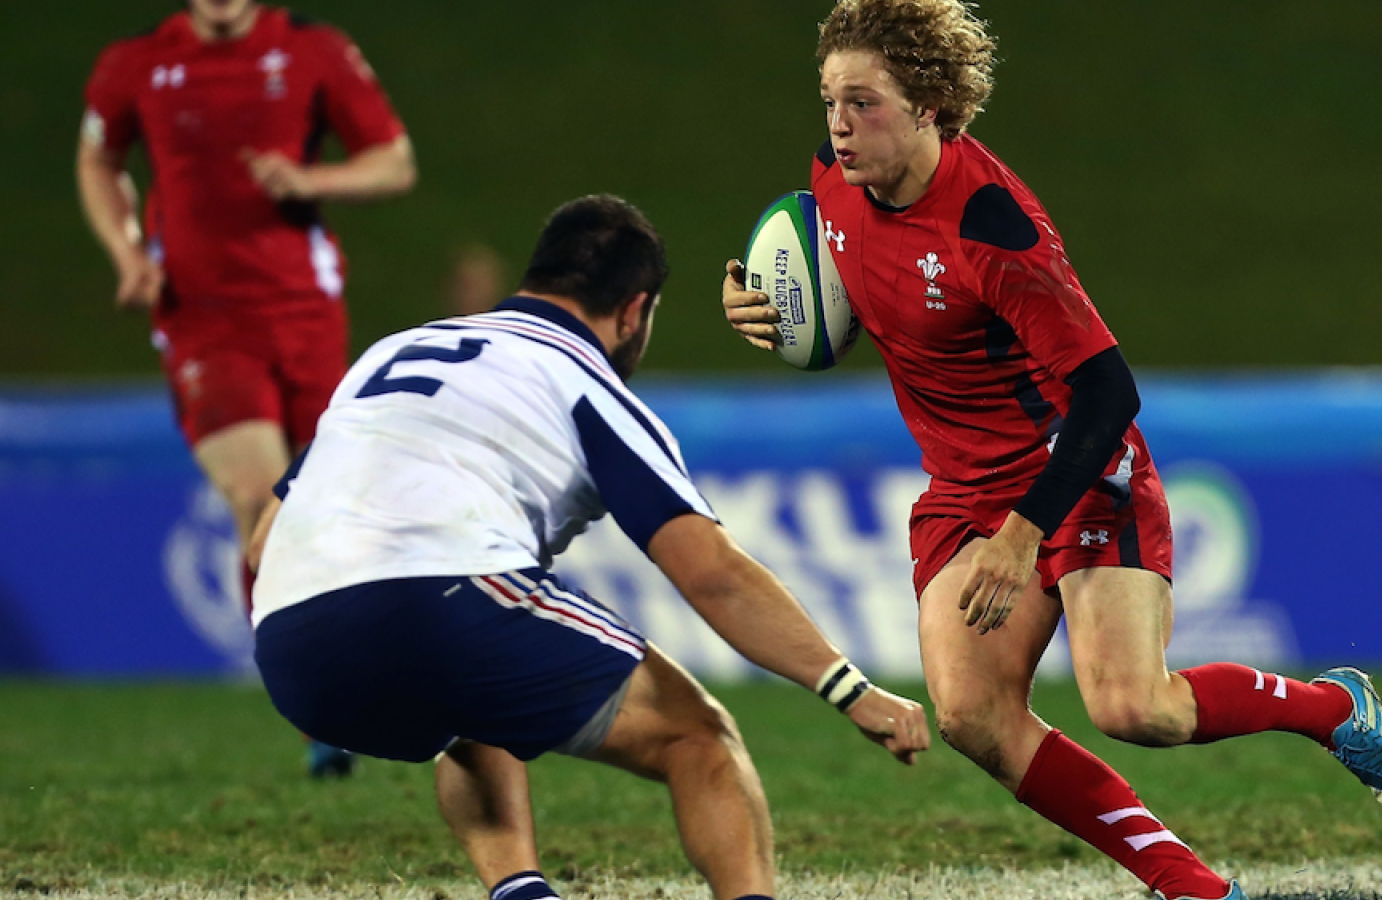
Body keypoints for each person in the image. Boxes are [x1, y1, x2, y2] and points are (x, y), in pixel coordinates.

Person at [719, 3, 1382, 898]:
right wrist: (757, 303)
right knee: (973, 717)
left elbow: (1107, 392)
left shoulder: (994, 228)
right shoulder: (833, 177)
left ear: (931, 107)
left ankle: (1338, 709)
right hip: (962, 490)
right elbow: (862, 289)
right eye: (829, 99)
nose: (836, 124)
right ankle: (1194, 886)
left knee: (1135, 707)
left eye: (862, 103)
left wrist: (1023, 535)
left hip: (1078, 472)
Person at [248, 194, 930, 900]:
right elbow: (712, 574)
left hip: (289, 642)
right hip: (439, 598)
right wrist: (850, 691)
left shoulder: (389, 354)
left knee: (472, 709)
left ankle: (521, 890)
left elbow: (263, 537)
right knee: (698, 737)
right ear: (634, 311)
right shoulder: (585, 383)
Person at [76, 0, 416, 777]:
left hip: (305, 312)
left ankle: (343, 676)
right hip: (200, 318)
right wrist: (129, 252)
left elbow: (393, 160)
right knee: (261, 499)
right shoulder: (135, 65)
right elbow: (97, 159)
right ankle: (315, 706)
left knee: (324, 506)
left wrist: (309, 177)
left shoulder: (313, 53)